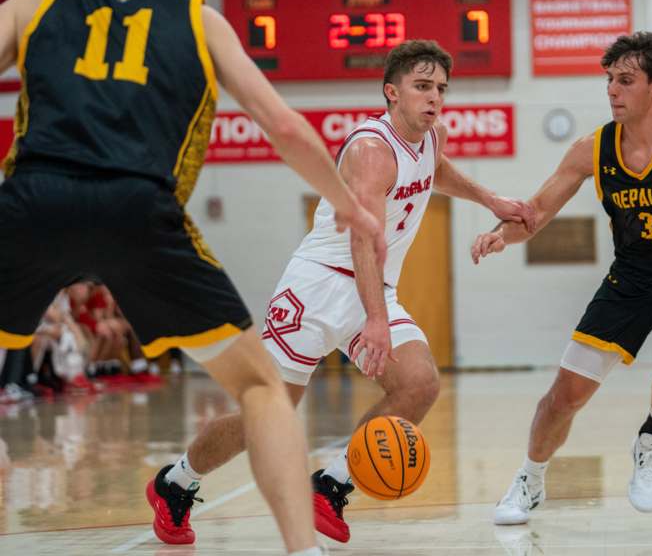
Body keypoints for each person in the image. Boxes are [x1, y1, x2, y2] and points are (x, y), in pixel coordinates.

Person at [0, 0, 386, 554]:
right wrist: (349, 205)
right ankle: (301, 550)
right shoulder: (198, 19)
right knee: (263, 388)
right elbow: (281, 125)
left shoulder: (35, 1)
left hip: (32, 201)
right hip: (138, 210)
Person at [154, 39, 535, 545]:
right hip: (318, 285)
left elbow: (435, 171)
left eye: (441, 88)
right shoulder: (370, 150)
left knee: (418, 383)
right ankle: (175, 482)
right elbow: (362, 239)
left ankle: (331, 485)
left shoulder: (432, 137)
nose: (435, 97)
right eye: (422, 86)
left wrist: (490, 198)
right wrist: (376, 320)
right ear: (391, 92)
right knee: (269, 412)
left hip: (371, 284)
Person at [470, 31, 652, 521]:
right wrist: (502, 235)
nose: (612, 89)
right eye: (609, 79)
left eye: (625, 80)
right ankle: (529, 477)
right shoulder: (592, 148)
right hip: (631, 277)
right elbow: (538, 212)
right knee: (563, 397)